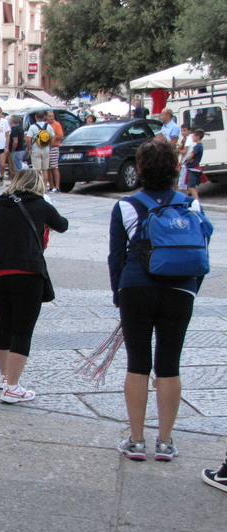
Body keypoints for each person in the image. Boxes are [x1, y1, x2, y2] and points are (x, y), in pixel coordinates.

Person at [108, 140, 205, 461]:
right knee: (169, 365)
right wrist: (191, 289)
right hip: (181, 289)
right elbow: (202, 252)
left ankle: (136, 441)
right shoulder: (190, 206)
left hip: (136, 287)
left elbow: (116, 257)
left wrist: (118, 293)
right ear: (176, 168)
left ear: (140, 168)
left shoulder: (126, 205)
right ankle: (165, 442)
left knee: (137, 364)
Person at [0, 169, 68, 404]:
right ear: (38, 185)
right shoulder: (40, 203)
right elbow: (62, 225)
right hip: (26, 271)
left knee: (4, 324)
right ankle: (13, 388)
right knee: (22, 330)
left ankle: (4, 376)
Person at [25, 110, 54, 189]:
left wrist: (29, 148)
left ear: (35, 117)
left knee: (37, 170)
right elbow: (53, 137)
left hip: (36, 150)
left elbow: (28, 139)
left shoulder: (33, 127)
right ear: (44, 117)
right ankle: (44, 187)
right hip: (46, 149)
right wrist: (50, 146)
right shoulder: (48, 126)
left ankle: (38, 187)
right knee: (45, 170)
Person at [46, 111, 65, 193]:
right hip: (46, 147)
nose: (51, 118)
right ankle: (51, 186)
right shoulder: (45, 124)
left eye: (52, 116)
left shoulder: (57, 125)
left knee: (54, 167)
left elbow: (61, 136)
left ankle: (57, 187)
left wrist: (51, 136)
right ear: (46, 117)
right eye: (50, 116)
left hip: (54, 147)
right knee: (48, 168)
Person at [185, 128, 205, 200]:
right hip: (195, 168)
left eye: (193, 136)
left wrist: (188, 158)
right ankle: (197, 201)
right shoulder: (200, 146)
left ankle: (196, 203)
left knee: (191, 187)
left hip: (193, 168)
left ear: (198, 137)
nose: (192, 137)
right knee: (194, 187)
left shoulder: (197, 146)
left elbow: (189, 156)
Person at [176, 123, 193, 192]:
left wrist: (177, 150)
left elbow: (184, 151)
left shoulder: (188, 140)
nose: (183, 132)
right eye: (182, 130)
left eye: (185, 130)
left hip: (185, 164)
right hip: (182, 164)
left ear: (189, 131)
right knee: (182, 185)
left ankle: (185, 201)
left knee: (182, 186)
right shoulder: (183, 140)